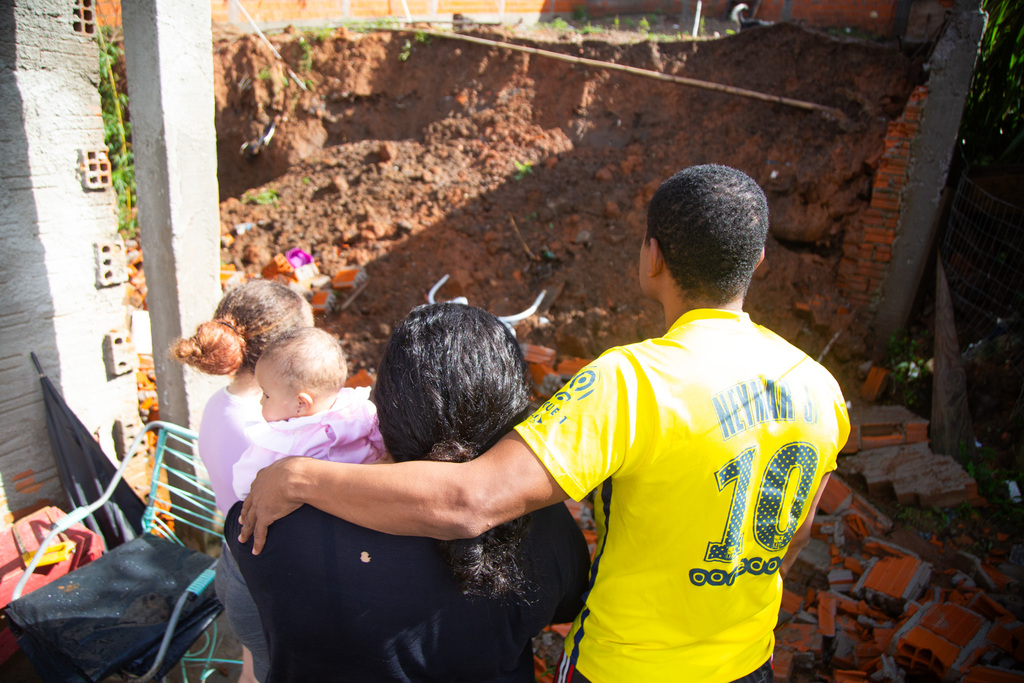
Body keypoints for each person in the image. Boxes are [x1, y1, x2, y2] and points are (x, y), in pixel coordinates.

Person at [238, 165, 850, 682]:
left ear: (653, 254)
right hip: (747, 660)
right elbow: (793, 536)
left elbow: (469, 501)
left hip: (624, 664)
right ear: (759, 260)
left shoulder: (633, 383)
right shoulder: (822, 390)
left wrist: (299, 478)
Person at [225, 303, 590, 682]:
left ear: (386, 404)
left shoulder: (265, 522)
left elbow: (251, 625)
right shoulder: (542, 520)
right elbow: (568, 607)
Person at [169, 279, 313, 683]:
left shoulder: (222, 404)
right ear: (284, 351)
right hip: (264, 585)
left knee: (254, 667)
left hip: (233, 568)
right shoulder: (268, 430)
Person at [232, 326, 383, 500]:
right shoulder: (360, 411)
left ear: (301, 404)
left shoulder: (281, 442)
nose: (261, 401)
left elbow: (243, 486)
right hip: (368, 497)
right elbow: (382, 447)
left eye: (266, 395)